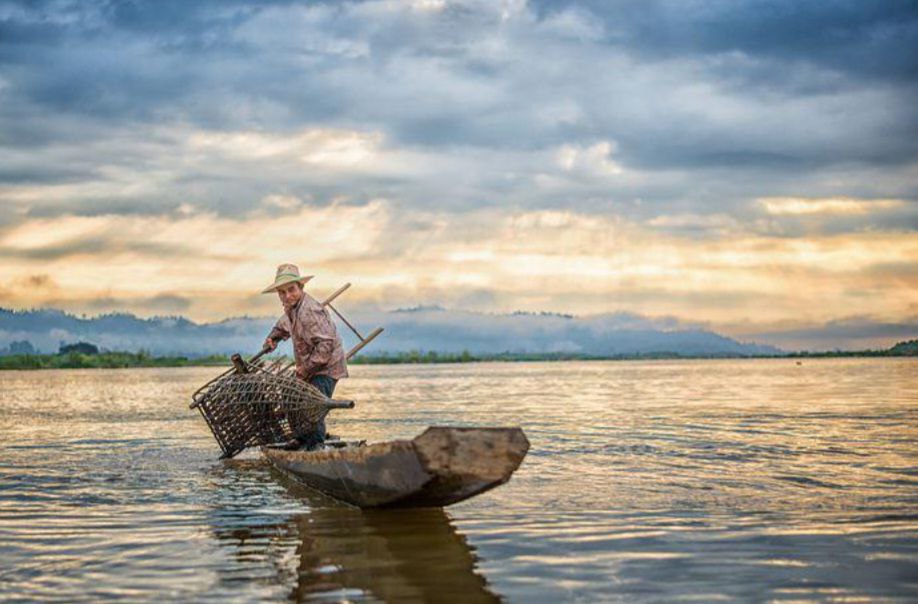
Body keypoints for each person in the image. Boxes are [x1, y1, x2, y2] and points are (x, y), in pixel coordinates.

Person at [261, 263, 348, 446]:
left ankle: (315, 448)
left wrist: (305, 370)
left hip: (326, 367)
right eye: (282, 292)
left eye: (291, 290)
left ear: (301, 287)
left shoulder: (310, 310)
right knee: (290, 396)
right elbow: (282, 326)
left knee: (312, 406)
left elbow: (326, 345)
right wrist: (272, 339)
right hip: (310, 366)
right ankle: (300, 439)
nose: (287, 296)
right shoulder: (291, 309)